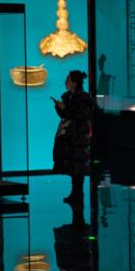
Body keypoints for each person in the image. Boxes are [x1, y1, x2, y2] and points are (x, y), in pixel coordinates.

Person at [52, 70, 96, 204]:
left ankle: (78, 194)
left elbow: (79, 115)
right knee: (73, 165)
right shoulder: (69, 97)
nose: (66, 82)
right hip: (71, 135)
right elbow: (66, 115)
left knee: (78, 165)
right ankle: (75, 193)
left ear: (74, 83)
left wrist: (64, 109)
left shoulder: (84, 99)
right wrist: (59, 108)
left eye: (68, 80)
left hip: (78, 136)